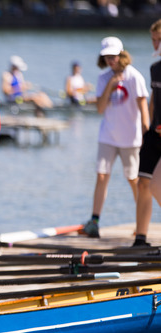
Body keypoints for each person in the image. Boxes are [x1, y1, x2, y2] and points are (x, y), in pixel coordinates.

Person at [81, 36, 149, 238]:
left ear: (121, 54)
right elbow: (101, 109)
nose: (111, 60)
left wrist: (147, 134)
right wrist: (111, 83)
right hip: (108, 136)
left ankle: (141, 223)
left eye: (114, 56)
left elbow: (143, 107)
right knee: (101, 176)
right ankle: (94, 221)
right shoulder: (104, 78)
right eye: (107, 56)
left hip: (131, 138)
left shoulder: (134, 76)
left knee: (133, 179)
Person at [133, 20, 161, 247]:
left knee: (157, 186)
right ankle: (140, 239)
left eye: (158, 39)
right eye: (153, 39)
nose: (155, 43)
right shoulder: (155, 68)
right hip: (155, 133)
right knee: (143, 183)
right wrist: (147, 129)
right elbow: (153, 101)